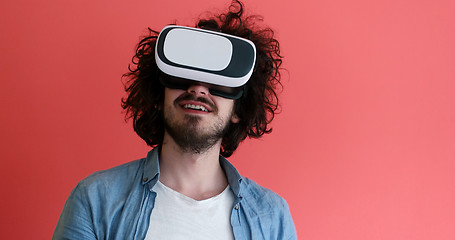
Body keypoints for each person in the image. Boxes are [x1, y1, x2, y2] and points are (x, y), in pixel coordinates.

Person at [53, 1, 296, 239]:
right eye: (182, 76)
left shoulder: (272, 217)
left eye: (218, 83)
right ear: (159, 95)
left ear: (238, 109)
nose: (199, 90)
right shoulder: (95, 201)